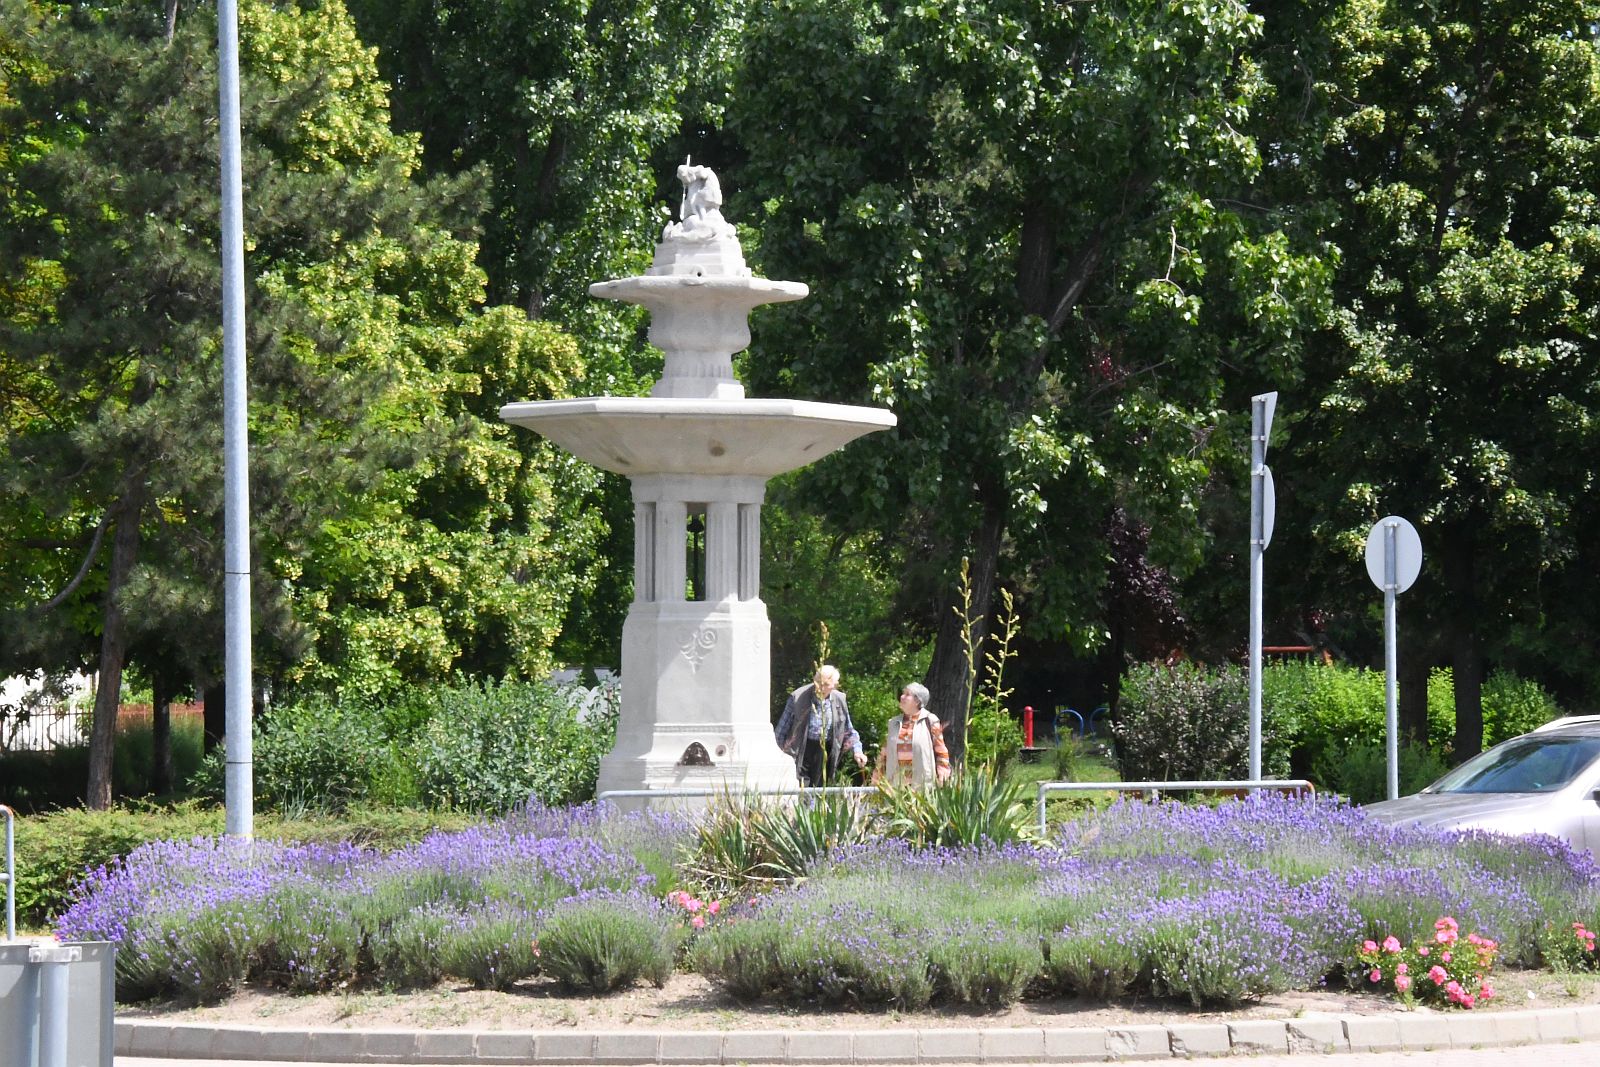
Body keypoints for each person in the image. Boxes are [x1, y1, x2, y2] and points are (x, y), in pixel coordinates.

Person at [774, 665, 867, 786]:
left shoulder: (840, 700)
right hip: (801, 751)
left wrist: (857, 751)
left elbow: (848, 731)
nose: (821, 688)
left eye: (826, 685)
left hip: (826, 752)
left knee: (821, 792)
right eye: (818, 682)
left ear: (835, 684)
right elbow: (781, 731)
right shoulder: (797, 697)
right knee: (804, 792)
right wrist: (779, 757)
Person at [878, 682, 952, 788]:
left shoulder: (930, 720)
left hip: (922, 787)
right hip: (895, 787)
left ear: (917, 701)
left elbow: (941, 751)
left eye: (907, 694)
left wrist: (943, 774)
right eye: (903, 693)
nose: (902, 697)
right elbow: (884, 754)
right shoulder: (893, 723)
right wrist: (877, 777)